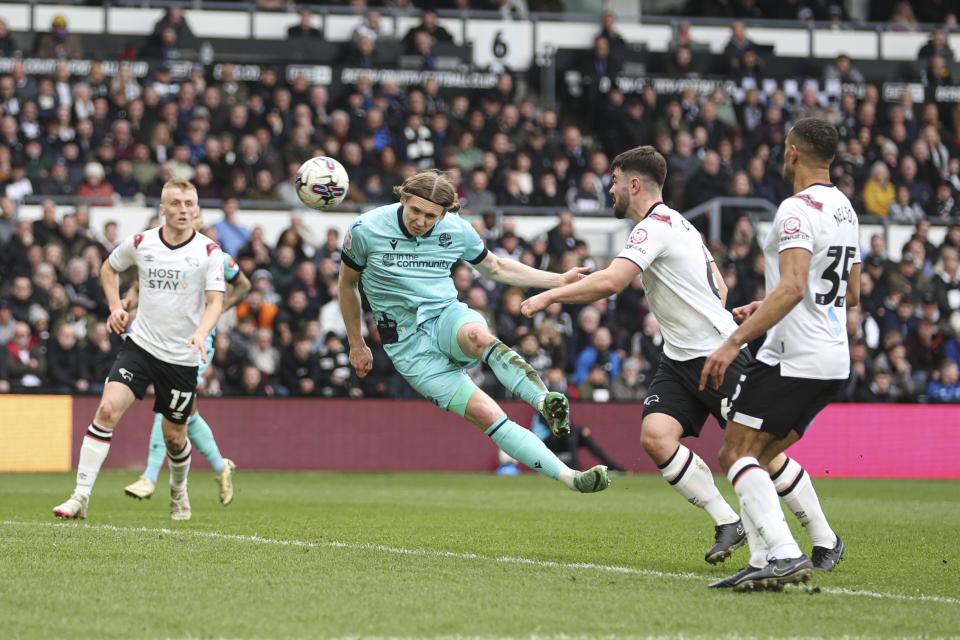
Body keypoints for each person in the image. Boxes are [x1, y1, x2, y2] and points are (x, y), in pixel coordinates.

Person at [522, 146, 841, 570]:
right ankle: (728, 520)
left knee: (761, 453)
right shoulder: (680, 224)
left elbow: (612, 282)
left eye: (614, 182)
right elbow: (720, 289)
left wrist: (549, 296)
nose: (610, 190)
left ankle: (824, 539)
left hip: (717, 355)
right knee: (656, 436)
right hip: (679, 357)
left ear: (635, 184)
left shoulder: (653, 228)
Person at [339, 170, 610, 493]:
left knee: (477, 336)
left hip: (444, 316)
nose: (421, 221)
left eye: (431, 216)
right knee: (486, 414)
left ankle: (542, 400)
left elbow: (495, 266)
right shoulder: (366, 230)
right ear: (403, 198)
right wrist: (356, 342)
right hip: (406, 345)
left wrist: (558, 280)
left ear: (444, 214)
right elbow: (347, 284)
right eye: (415, 211)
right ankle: (571, 478)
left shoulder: (456, 229)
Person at [700, 118, 860, 590]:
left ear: (793, 152)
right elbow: (849, 292)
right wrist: (765, 305)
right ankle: (775, 553)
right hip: (833, 358)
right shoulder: (846, 209)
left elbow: (792, 287)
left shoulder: (795, 209)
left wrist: (733, 342)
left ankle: (785, 554)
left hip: (792, 356)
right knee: (761, 456)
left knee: (735, 451)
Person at [52, 178, 226, 521]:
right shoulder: (141, 243)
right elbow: (109, 268)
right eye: (175, 203)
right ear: (162, 209)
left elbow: (215, 302)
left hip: (181, 358)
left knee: (174, 438)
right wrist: (116, 307)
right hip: (141, 347)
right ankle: (80, 497)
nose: (183, 210)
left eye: (189, 204)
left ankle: (178, 491)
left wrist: (201, 333)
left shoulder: (209, 252)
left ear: (196, 209)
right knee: (106, 411)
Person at [123, 216, 251, 504]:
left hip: (196, 342)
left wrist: (218, 309)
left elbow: (243, 284)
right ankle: (220, 466)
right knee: (186, 413)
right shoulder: (160, 254)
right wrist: (128, 303)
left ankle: (149, 476)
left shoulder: (215, 257)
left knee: (168, 406)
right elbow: (138, 286)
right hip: (161, 338)